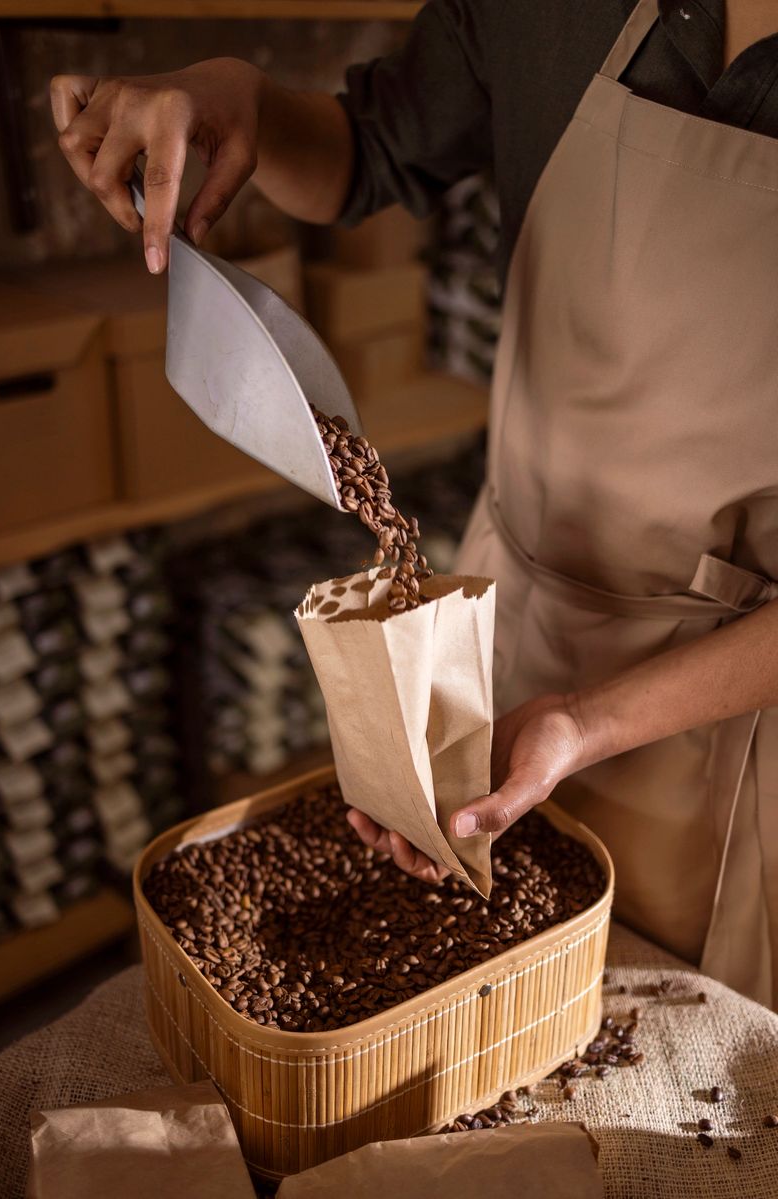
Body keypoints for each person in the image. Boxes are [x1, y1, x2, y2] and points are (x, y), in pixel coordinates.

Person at [52, 0, 778, 1008]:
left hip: (737, 721)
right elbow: (372, 149)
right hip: (515, 615)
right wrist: (247, 104)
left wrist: (585, 719)